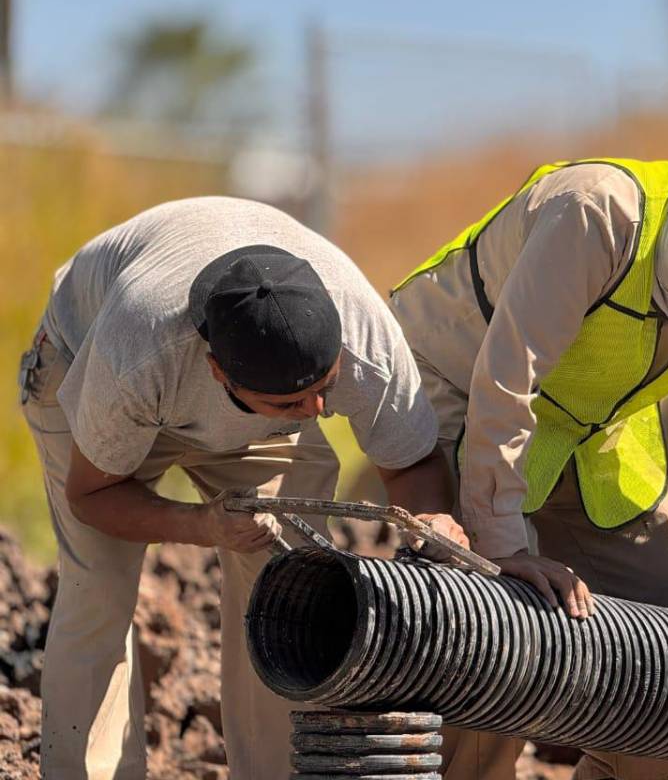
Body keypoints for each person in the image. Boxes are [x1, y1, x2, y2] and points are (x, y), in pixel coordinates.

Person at [390, 148, 668, 779]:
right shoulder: (596, 213)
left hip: (594, 421)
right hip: (466, 380)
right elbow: (508, 379)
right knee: (501, 631)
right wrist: (504, 549)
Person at [18, 196, 463, 780]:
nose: (318, 410)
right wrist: (202, 526)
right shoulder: (140, 351)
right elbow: (92, 495)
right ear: (218, 372)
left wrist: (430, 520)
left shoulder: (363, 338)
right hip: (82, 361)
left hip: (234, 410)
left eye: (326, 387)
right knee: (98, 585)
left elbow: (413, 464)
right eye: (294, 403)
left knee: (291, 583)